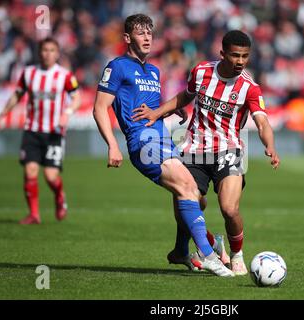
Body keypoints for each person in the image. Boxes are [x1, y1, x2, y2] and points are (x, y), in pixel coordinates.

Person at [92, 14, 234, 277]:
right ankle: (209, 252)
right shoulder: (117, 66)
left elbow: (147, 108)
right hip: (141, 143)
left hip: (164, 141)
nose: (147, 38)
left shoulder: (154, 70)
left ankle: (181, 251)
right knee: (187, 187)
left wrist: (167, 111)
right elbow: (100, 108)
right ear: (127, 38)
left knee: (197, 200)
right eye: (140, 33)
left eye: (150, 33)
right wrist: (112, 144)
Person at [132, 30, 281, 275]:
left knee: (229, 209)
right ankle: (212, 243)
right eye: (235, 55)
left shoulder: (250, 87)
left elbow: (263, 122)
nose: (240, 61)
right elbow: (185, 96)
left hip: (229, 150)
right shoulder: (201, 71)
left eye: (245, 56)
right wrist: (157, 112)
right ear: (223, 53)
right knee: (186, 208)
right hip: (194, 150)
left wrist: (270, 145)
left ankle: (237, 254)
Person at [0, 37, 81, 224]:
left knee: (50, 176)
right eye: (45, 50)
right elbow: (16, 95)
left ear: (57, 53)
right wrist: (3, 114)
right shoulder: (28, 73)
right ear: (39, 52)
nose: (48, 54)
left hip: (54, 132)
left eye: (52, 50)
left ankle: (60, 196)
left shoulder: (65, 75)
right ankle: (34, 214)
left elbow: (76, 98)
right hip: (32, 130)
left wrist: (67, 113)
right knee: (30, 171)